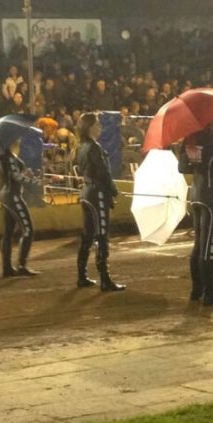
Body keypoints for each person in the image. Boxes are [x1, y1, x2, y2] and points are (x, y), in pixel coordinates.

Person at [178, 122, 213, 306]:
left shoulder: (189, 139)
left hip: (196, 192)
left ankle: (196, 289)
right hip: (211, 194)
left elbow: (182, 167)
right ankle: (210, 294)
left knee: (198, 244)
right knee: (208, 245)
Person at [75, 112, 125, 291]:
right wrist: (113, 190)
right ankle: (105, 278)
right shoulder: (94, 147)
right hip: (97, 195)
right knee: (102, 235)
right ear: (90, 127)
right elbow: (103, 172)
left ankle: (82, 275)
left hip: (87, 193)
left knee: (87, 235)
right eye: (97, 124)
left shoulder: (81, 147)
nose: (100, 127)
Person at [0, 137, 41, 277]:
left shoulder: (8, 156)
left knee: (8, 232)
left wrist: (26, 175)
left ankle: (7, 268)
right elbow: (16, 177)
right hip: (13, 197)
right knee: (28, 230)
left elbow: (15, 175)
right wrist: (34, 181)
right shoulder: (9, 157)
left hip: (9, 196)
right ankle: (21, 265)